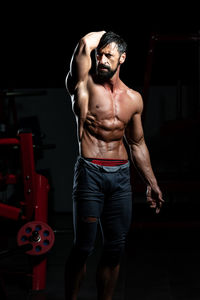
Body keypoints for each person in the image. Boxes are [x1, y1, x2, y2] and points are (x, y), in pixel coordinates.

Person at [65, 30, 164, 300]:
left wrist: (151, 183)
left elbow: (137, 143)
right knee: (83, 247)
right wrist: (105, 37)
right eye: (99, 56)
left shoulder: (133, 99)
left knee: (114, 249)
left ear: (123, 58)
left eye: (109, 55)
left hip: (120, 178)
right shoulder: (83, 87)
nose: (102, 60)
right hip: (90, 174)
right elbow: (85, 43)